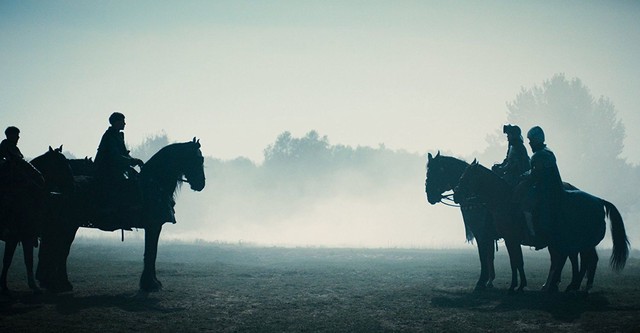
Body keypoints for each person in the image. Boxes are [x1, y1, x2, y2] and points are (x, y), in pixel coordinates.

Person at [521, 126, 564, 249]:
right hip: (550, 188)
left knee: (526, 207)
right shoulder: (547, 152)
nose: (529, 143)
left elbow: (535, 174)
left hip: (546, 190)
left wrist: (524, 176)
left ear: (536, 140)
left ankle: (534, 235)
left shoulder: (539, 155)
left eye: (531, 140)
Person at [94, 112, 144, 216]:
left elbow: (124, 154)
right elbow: (115, 156)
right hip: (107, 169)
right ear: (116, 122)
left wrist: (135, 160)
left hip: (117, 167)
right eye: (122, 121)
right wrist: (132, 161)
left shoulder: (118, 135)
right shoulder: (109, 136)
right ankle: (123, 207)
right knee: (125, 183)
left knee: (136, 178)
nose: (124, 124)